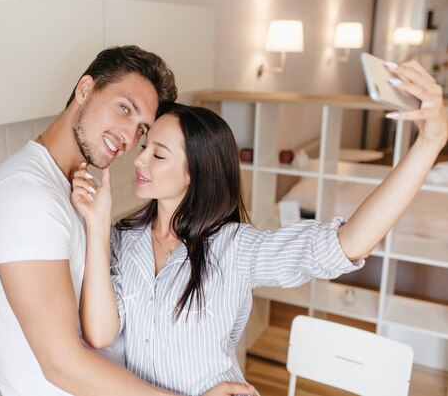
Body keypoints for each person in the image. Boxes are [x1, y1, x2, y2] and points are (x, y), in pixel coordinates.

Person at [71, 60, 448, 396]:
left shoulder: (234, 248)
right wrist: (99, 226)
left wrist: (429, 144)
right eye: (143, 147)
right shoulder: (123, 238)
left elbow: (347, 243)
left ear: (195, 174)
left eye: (159, 154)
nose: (139, 160)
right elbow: (101, 334)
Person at [0, 45, 256, 396]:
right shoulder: (26, 196)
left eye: (141, 129)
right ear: (85, 89)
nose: (128, 137)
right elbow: (61, 364)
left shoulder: (69, 190)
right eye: (124, 108)